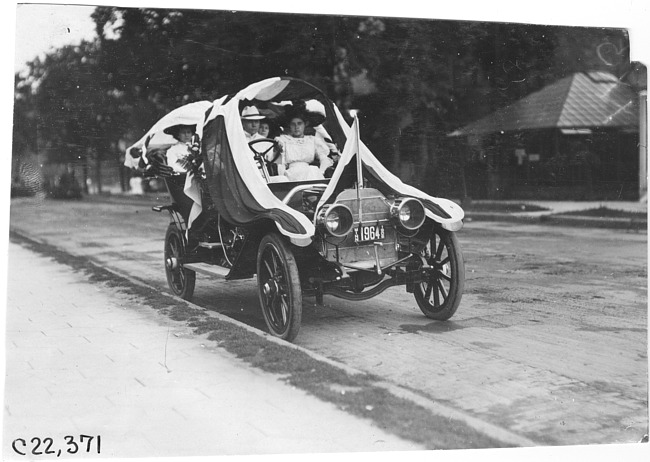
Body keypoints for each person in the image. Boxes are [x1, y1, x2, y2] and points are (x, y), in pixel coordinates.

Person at [271, 107, 333, 182]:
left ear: (305, 124)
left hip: (310, 172)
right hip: (292, 173)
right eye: (293, 124)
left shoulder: (312, 140)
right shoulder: (283, 140)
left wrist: (322, 171)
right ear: (289, 125)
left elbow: (324, 158)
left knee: (313, 170)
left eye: (299, 123)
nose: (296, 127)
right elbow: (280, 162)